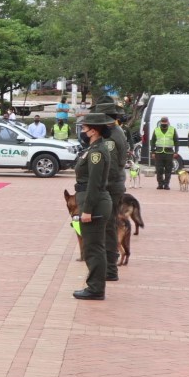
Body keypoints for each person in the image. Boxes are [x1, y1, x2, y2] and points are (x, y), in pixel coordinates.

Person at [72, 113, 115, 300]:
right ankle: (95, 286)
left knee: (93, 247)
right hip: (91, 201)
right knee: (93, 246)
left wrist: (87, 209)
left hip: (95, 204)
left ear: (94, 131)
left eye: (84, 128)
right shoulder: (92, 149)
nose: (82, 131)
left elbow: (94, 183)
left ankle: (96, 288)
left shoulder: (97, 152)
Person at [93, 103, 128, 282]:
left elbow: (111, 168)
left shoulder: (111, 138)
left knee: (108, 227)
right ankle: (109, 268)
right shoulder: (115, 132)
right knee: (109, 226)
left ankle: (110, 269)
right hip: (114, 185)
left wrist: (100, 187)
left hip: (111, 187)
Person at [152, 116, 177, 189]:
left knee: (168, 169)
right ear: (160, 122)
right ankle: (160, 184)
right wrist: (152, 152)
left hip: (169, 153)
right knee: (159, 169)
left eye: (165, 122)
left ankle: (166, 184)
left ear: (168, 122)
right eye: (163, 122)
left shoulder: (172, 130)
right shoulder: (156, 130)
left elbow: (176, 141)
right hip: (159, 152)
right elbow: (153, 141)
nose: (164, 123)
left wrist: (176, 151)